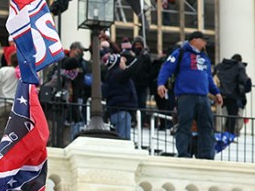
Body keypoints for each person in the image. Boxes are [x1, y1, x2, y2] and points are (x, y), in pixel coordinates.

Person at [156, 31, 222, 159]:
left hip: (203, 97)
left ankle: (206, 154)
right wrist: (161, 83)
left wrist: (216, 92)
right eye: (203, 40)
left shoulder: (205, 58)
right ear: (195, 40)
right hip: (186, 96)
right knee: (184, 125)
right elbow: (166, 68)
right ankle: (183, 153)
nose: (205, 43)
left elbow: (208, 78)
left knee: (207, 126)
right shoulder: (180, 53)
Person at [103, 51, 142, 140]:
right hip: (122, 112)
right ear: (118, 64)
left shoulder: (111, 75)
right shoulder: (118, 74)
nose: (125, 62)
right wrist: (141, 58)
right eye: (122, 61)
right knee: (123, 140)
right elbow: (130, 71)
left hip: (117, 111)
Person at [215, 54, 251, 135]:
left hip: (222, 94)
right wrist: (248, 81)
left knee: (227, 116)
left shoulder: (221, 66)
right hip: (235, 96)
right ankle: (230, 135)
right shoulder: (239, 67)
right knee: (233, 117)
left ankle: (226, 133)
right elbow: (244, 82)